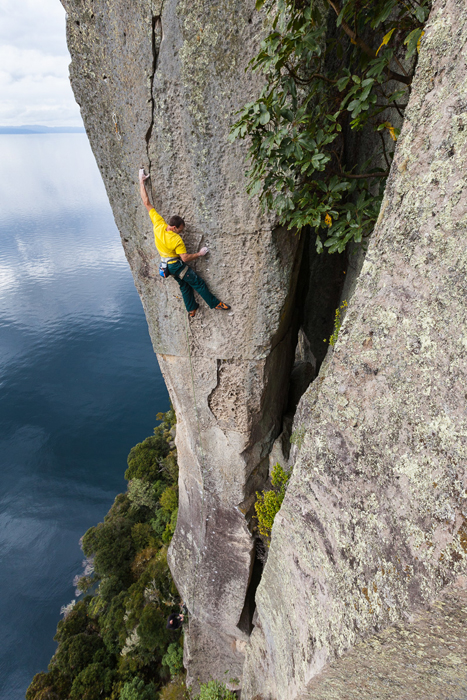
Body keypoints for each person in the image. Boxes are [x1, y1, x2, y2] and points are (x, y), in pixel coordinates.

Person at [139, 168, 230, 318]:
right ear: (174, 228)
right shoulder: (176, 239)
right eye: (181, 229)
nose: (182, 231)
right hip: (175, 265)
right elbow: (185, 258)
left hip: (165, 265)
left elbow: (146, 202)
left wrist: (141, 181)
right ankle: (215, 304)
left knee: (184, 285)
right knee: (197, 283)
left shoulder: (159, 224)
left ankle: (191, 309)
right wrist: (200, 254)